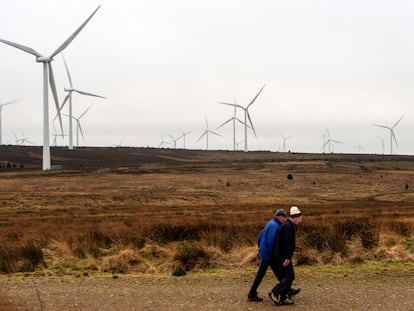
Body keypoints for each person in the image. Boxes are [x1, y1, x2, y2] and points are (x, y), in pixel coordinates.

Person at [247, 209, 288, 302]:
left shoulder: (270, 223)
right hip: (270, 255)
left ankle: (287, 289)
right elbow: (271, 242)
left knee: (272, 273)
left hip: (266, 253)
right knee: (270, 273)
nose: (285, 220)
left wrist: (261, 248)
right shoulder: (275, 226)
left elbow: (260, 237)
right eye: (285, 218)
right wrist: (275, 254)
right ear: (280, 217)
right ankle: (251, 294)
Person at [269, 206, 303, 305]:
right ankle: (275, 292)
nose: (300, 221)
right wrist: (287, 257)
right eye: (300, 218)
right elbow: (287, 244)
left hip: (281, 256)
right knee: (290, 276)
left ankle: (284, 297)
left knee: (286, 276)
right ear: (295, 217)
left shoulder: (287, 225)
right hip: (283, 257)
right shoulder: (288, 227)